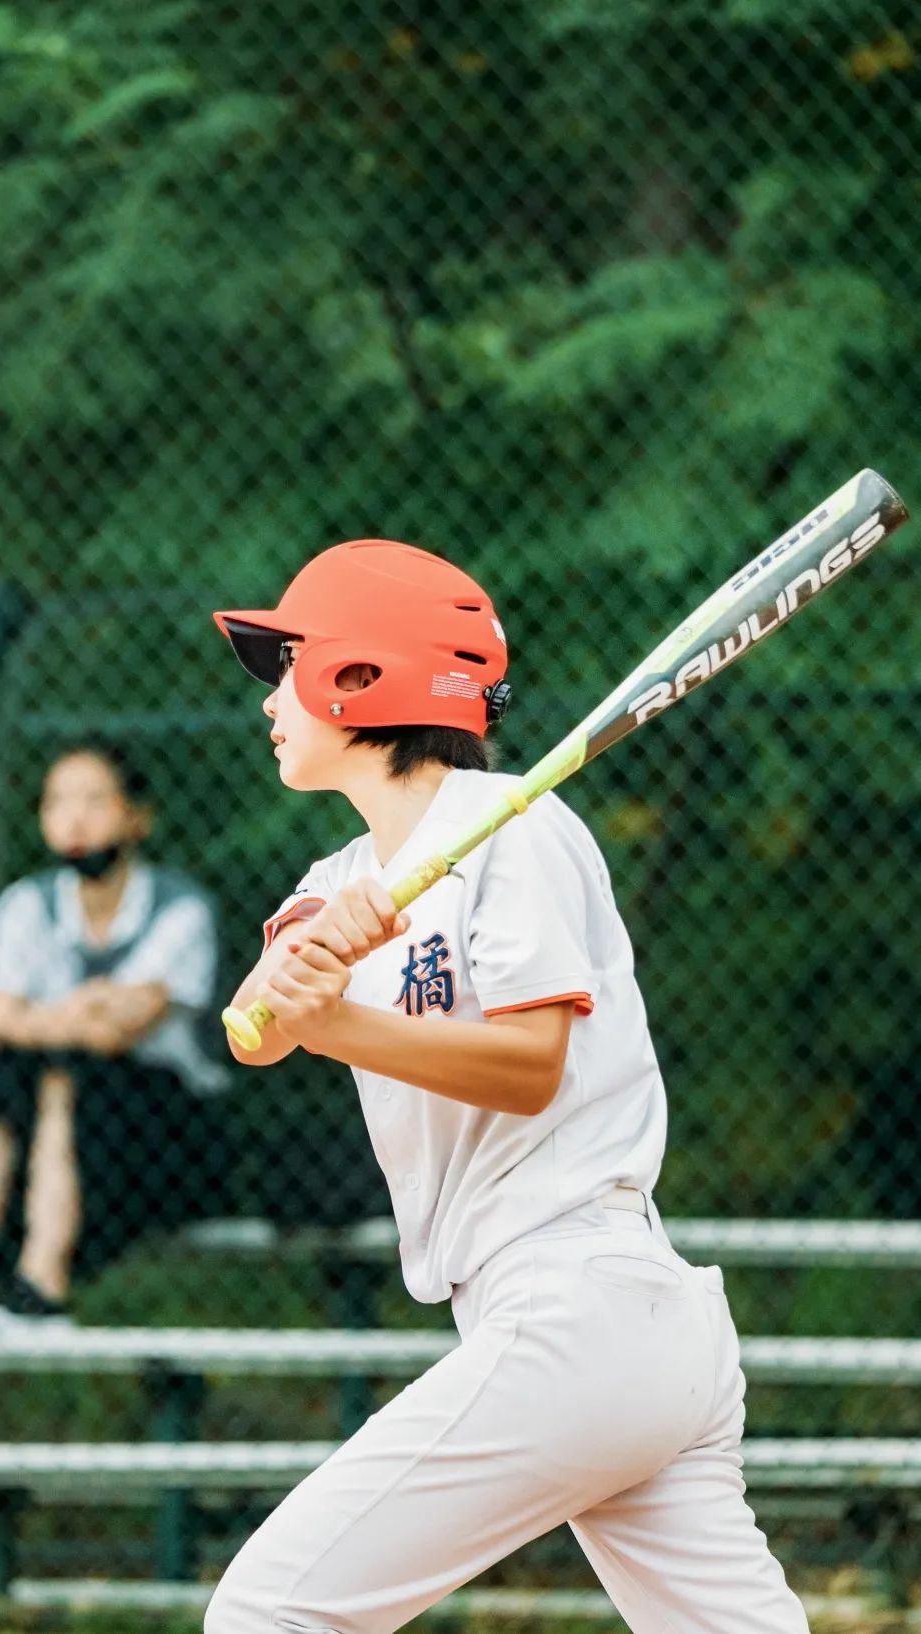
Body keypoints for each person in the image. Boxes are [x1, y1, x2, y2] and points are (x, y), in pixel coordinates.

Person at [205, 539, 809, 1634]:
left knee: (270, 1611)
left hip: (575, 1298)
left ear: (361, 676)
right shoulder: (337, 878)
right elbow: (253, 1031)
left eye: (283, 663)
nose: (267, 699)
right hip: (604, 1327)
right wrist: (306, 970)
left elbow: (530, 1069)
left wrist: (337, 1019)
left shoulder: (516, 826)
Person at [0, 739, 229, 1328]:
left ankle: (43, 1284)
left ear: (137, 817)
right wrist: (70, 1010)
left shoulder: (182, 912)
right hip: (50, 1122)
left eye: (95, 800)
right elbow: (12, 1028)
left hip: (161, 1132)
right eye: (57, 802)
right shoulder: (24, 905)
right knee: (17, 1073)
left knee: (62, 1070)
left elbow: (112, 1035)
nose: (74, 817)